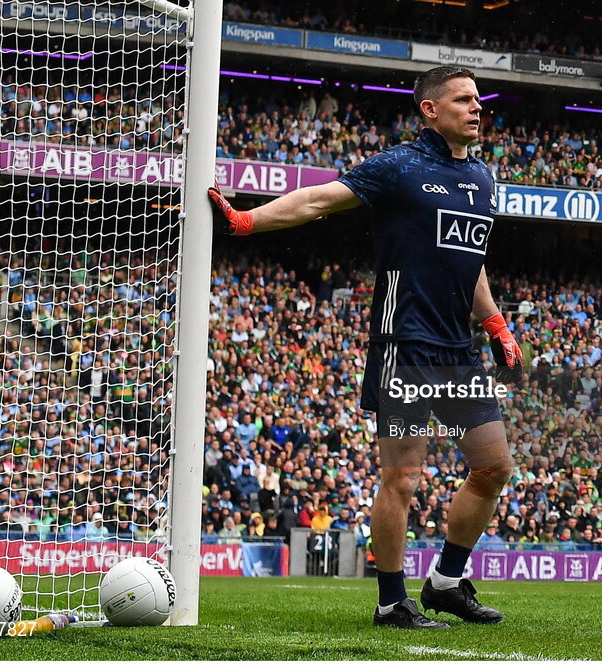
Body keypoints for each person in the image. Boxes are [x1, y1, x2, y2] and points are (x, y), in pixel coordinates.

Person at [208, 66, 522, 630]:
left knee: (493, 467)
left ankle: (447, 583)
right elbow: (320, 200)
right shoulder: (399, 166)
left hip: (458, 350)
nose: (477, 107)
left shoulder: (481, 178)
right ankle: (390, 601)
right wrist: (248, 221)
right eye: (463, 99)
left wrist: (496, 323)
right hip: (403, 344)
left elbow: (468, 261)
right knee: (403, 479)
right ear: (430, 109)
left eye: (479, 99)